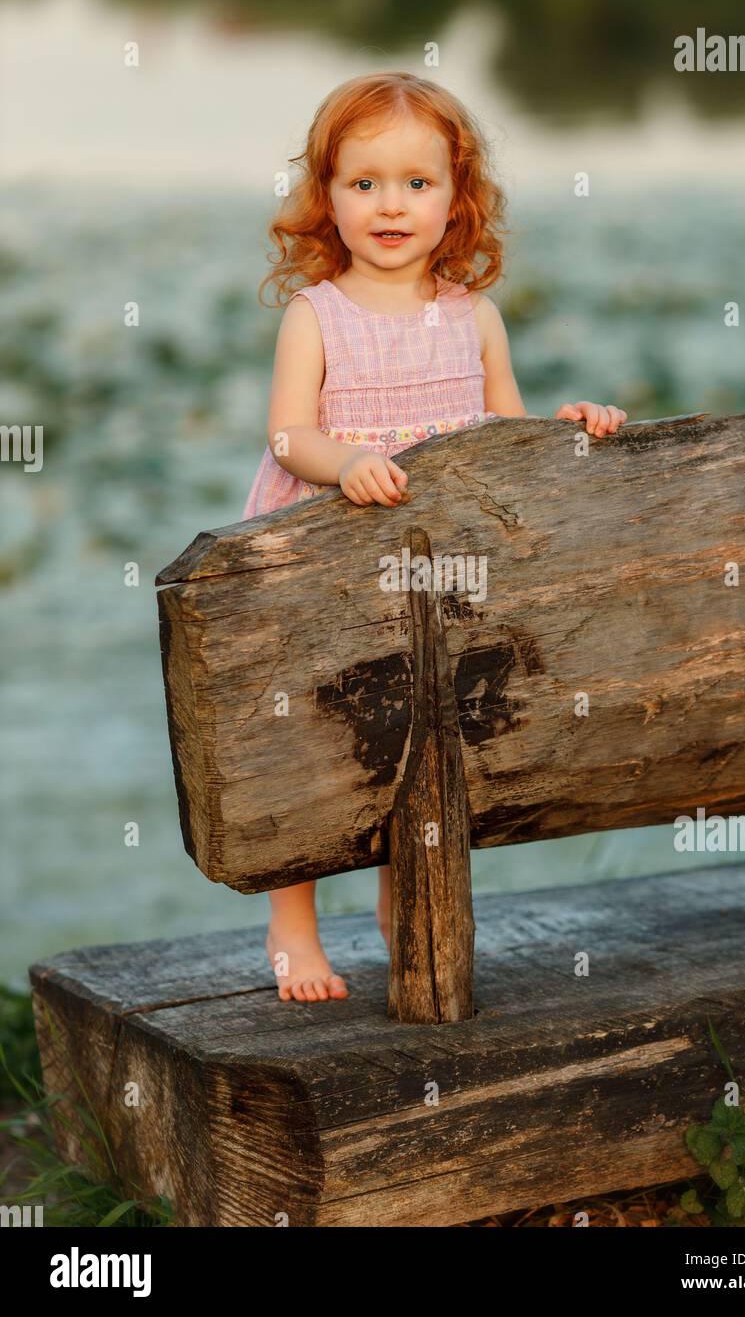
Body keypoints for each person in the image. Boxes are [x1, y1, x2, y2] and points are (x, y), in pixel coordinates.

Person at [242, 70, 627, 1003]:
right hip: (327, 549)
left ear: (457, 199)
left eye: (417, 183)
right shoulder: (316, 315)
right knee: (313, 735)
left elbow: (506, 442)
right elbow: (287, 432)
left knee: (422, 732)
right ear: (325, 196)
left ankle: (405, 901)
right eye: (363, 182)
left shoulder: (474, 318)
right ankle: (291, 919)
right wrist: (342, 463)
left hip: (439, 570)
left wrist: (571, 425)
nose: (389, 204)